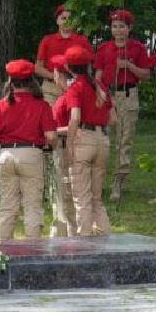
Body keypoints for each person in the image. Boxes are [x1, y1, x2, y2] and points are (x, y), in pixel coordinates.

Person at [0, 59, 57, 243]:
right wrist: (51, 146)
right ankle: (33, 249)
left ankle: (6, 248)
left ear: (10, 81)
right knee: (32, 206)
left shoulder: (1, 104)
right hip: (31, 155)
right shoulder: (41, 105)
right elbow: (51, 136)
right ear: (31, 81)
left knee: (8, 206)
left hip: (6, 156)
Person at [35, 5, 93, 236]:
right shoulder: (48, 40)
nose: (67, 21)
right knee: (51, 130)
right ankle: (50, 180)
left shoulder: (82, 40)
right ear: (57, 20)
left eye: (70, 18)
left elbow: (88, 66)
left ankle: (74, 171)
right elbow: (38, 67)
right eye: (63, 17)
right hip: (52, 87)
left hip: (75, 85)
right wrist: (56, 77)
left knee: (74, 125)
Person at [93, 9, 156, 200]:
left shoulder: (137, 48)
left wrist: (129, 66)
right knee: (100, 138)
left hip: (127, 95)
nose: (118, 30)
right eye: (114, 26)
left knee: (123, 140)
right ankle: (97, 180)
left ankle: (118, 182)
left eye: (122, 26)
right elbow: (97, 76)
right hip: (107, 96)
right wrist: (101, 94)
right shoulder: (104, 48)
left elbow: (146, 75)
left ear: (129, 28)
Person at [53, 44, 111, 235]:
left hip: (84, 139)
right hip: (102, 139)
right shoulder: (100, 86)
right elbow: (113, 118)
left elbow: (75, 118)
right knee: (97, 200)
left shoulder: (75, 88)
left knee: (81, 199)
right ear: (88, 65)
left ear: (68, 67)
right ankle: (106, 241)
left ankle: (84, 243)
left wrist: (70, 144)